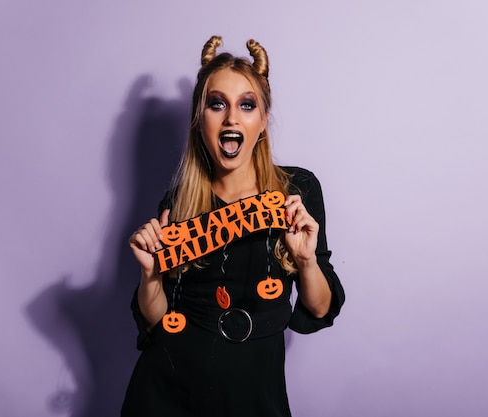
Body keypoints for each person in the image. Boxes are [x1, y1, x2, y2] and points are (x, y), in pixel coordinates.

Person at [122, 35, 345, 417]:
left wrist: (306, 261)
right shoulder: (178, 205)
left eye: (246, 105)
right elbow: (159, 321)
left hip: (254, 396)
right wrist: (150, 276)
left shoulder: (297, 191)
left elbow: (320, 307)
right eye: (216, 104)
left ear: (262, 122)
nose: (231, 118)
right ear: (199, 121)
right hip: (167, 394)